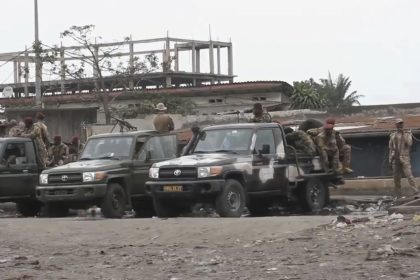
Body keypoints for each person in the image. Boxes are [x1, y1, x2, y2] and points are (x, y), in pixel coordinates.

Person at [389, 118, 419, 198]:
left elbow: (409, 143)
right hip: (395, 158)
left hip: (404, 158)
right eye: (399, 124)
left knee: (409, 175)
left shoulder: (407, 134)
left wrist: (404, 134)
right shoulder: (393, 135)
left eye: (401, 123)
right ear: (396, 125)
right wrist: (390, 160)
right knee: (396, 178)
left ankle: (416, 191)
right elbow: (391, 148)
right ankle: (398, 194)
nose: (400, 125)